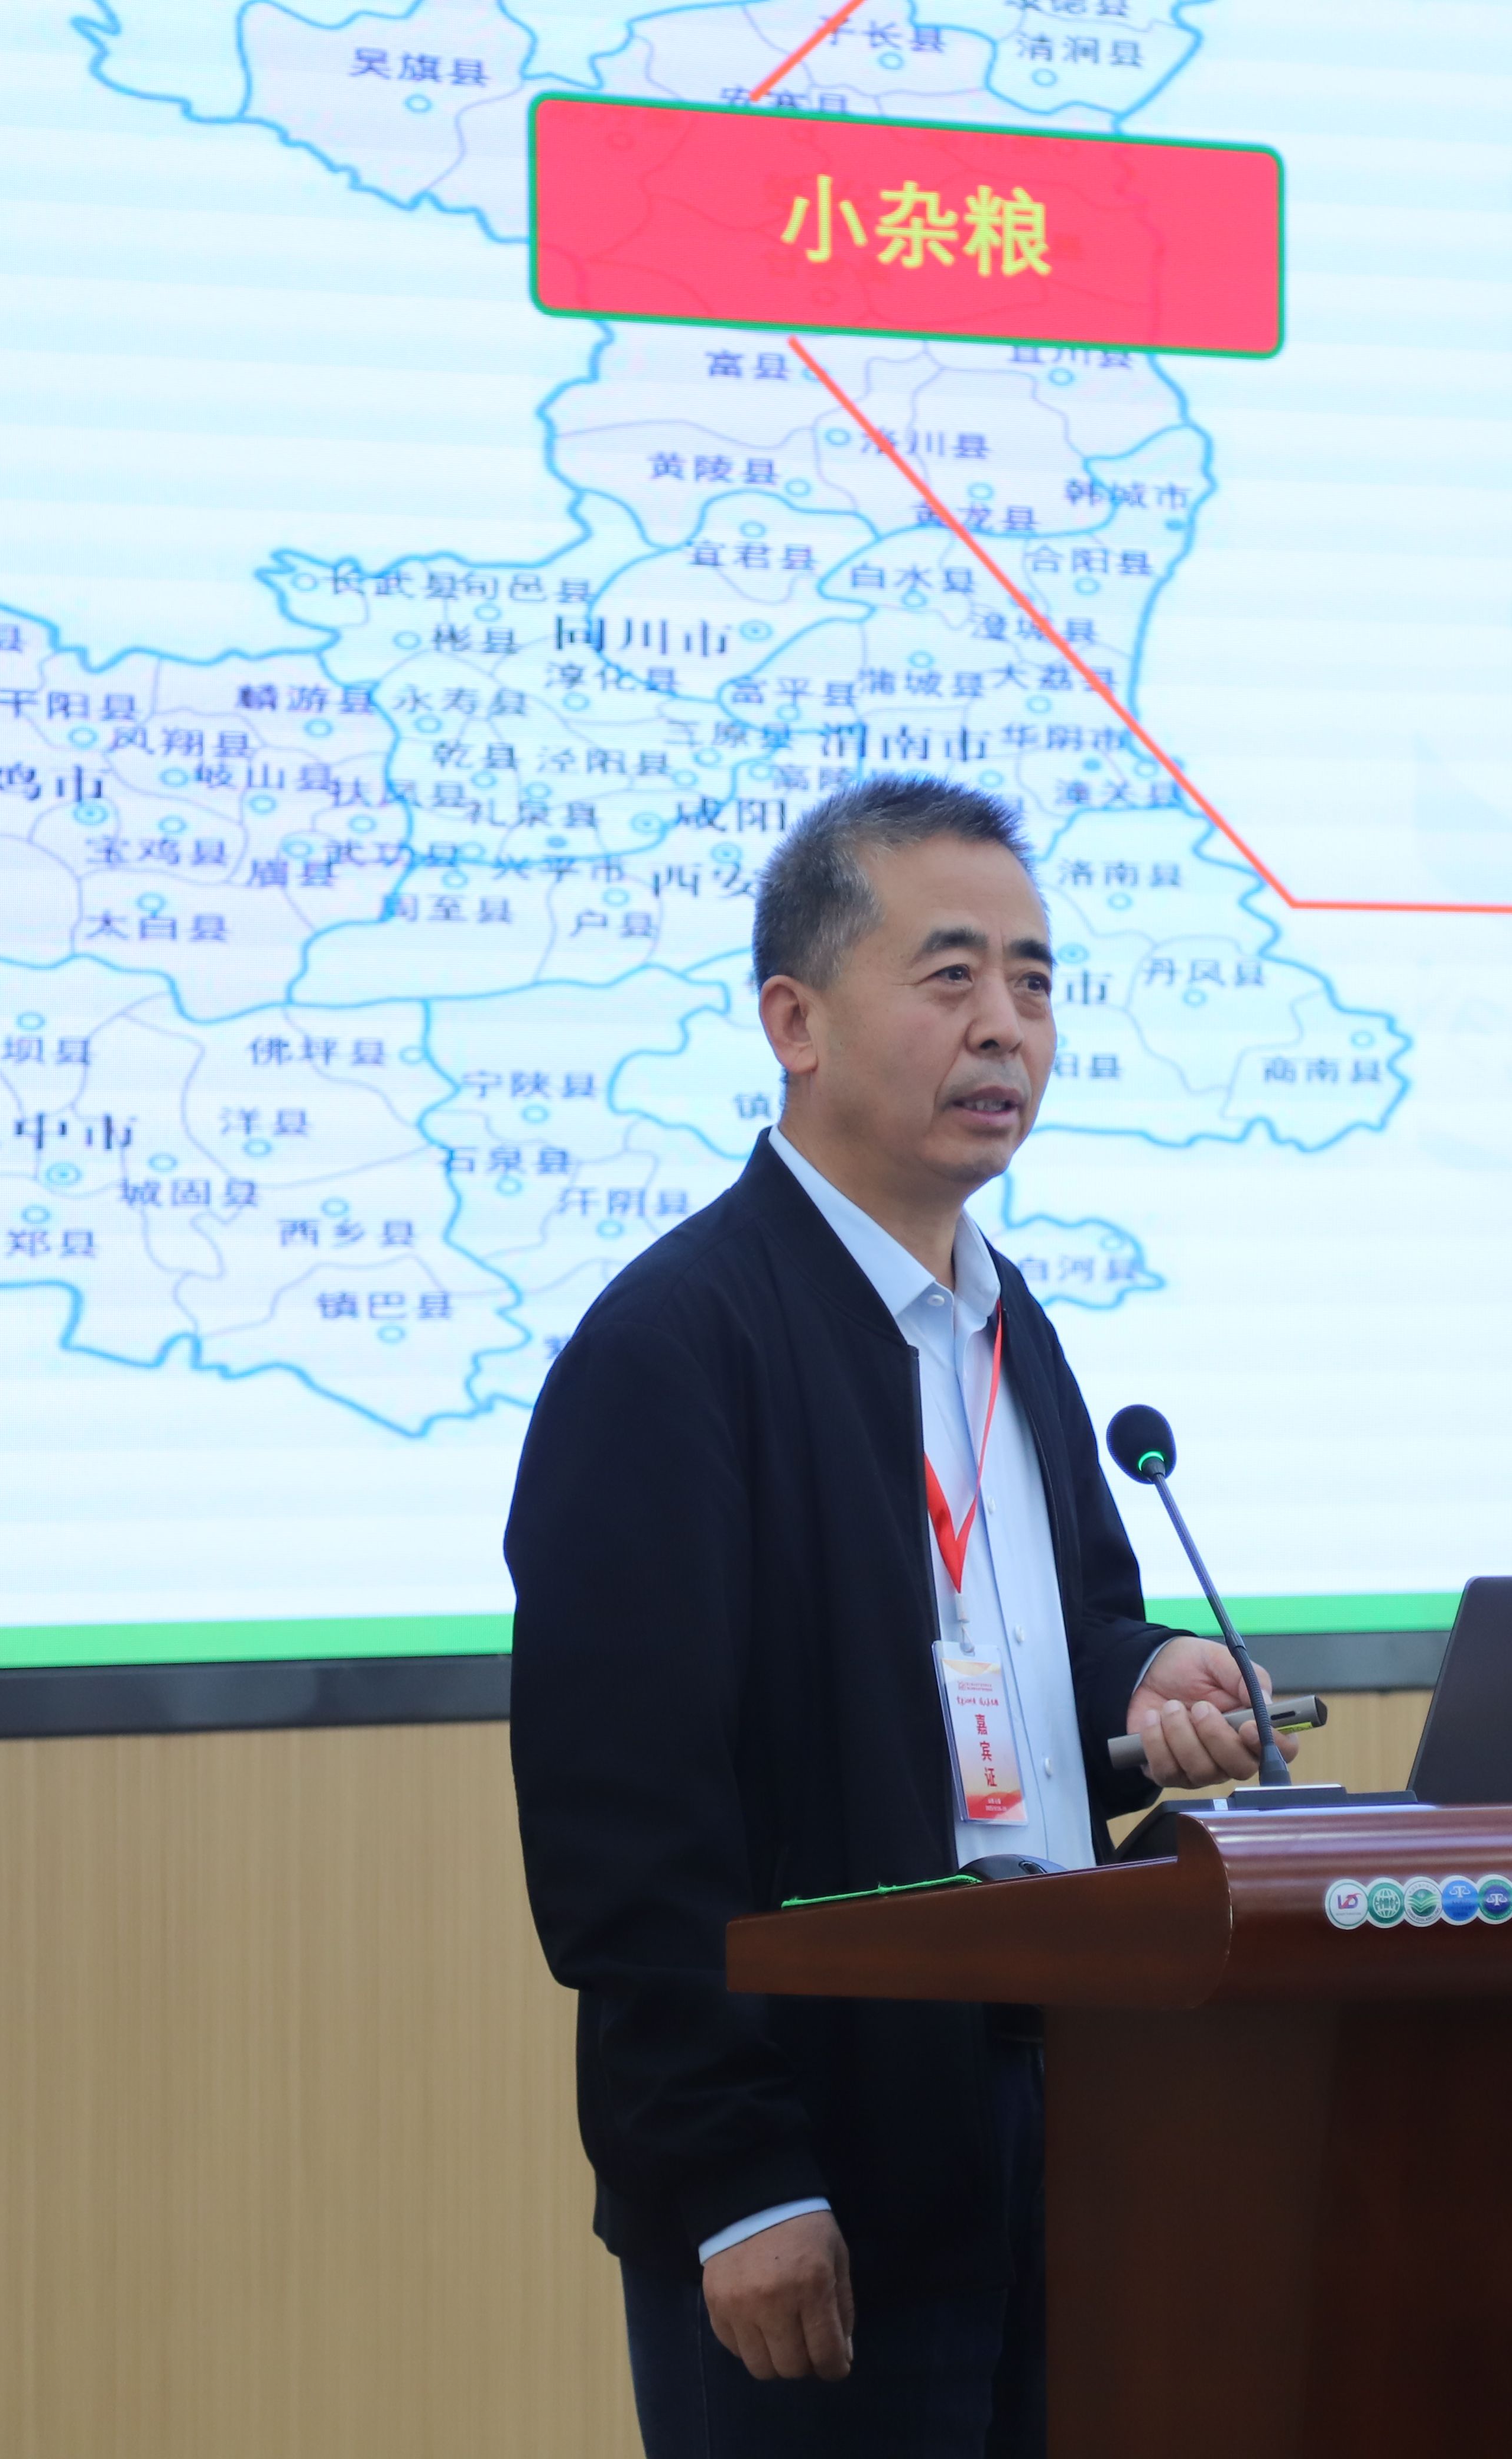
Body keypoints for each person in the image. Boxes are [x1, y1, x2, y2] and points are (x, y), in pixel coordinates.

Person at [508, 774, 1291, 2457]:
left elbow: (1052, 1648)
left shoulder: (1011, 1332)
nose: (1006, 1025)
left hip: (1066, 2120)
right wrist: (737, 2181)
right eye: (951, 976)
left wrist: (1147, 1682)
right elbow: (622, 1830)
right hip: (822, 2164)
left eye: (1035, 980)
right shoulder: (675, 1352)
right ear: (793, 1021)